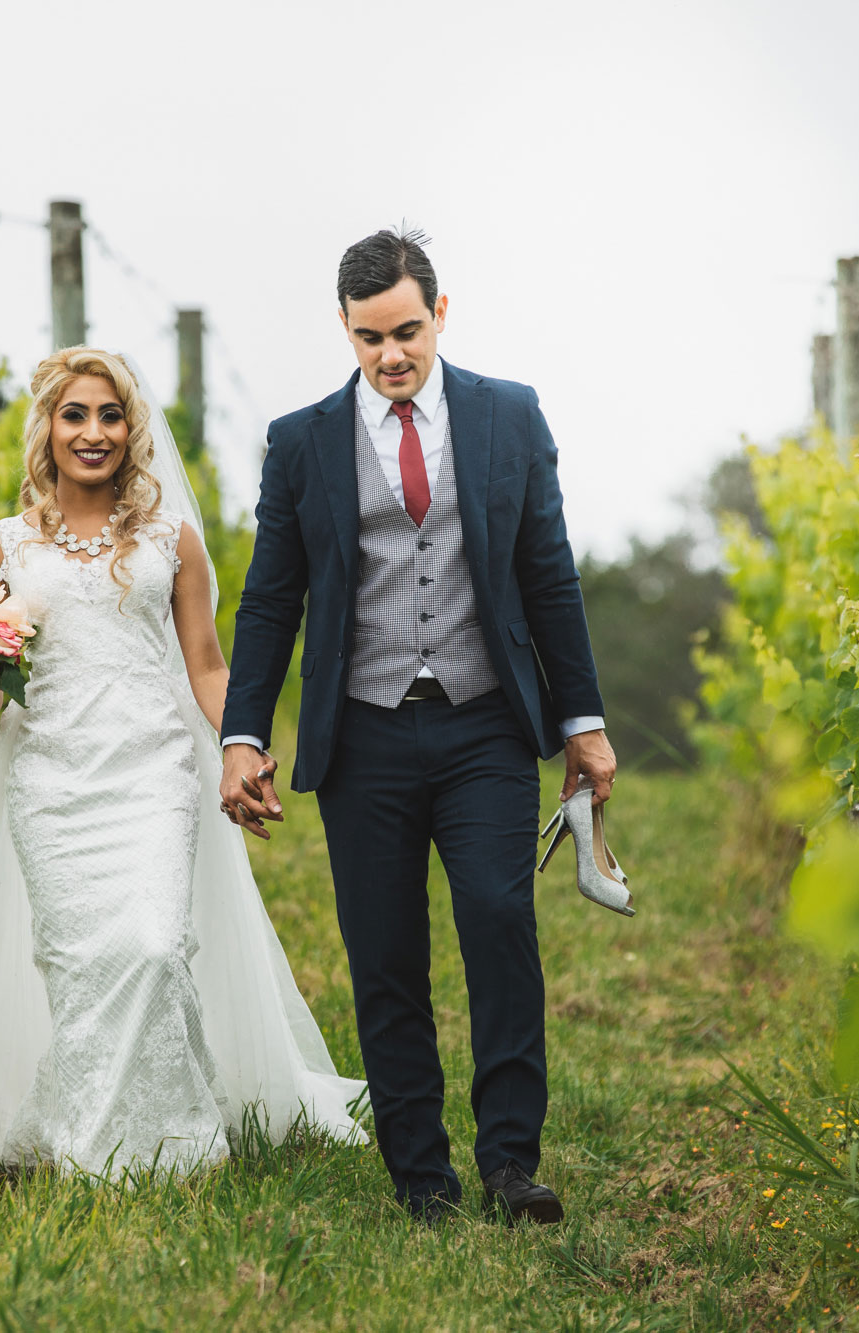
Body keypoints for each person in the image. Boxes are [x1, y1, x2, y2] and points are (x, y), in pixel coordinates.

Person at [218, 229, 614, 1225]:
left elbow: (547, 573)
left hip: (483, 723)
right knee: (383, 953)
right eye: (367, 339)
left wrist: (582, 720)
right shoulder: (301, 440)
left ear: (439, 314)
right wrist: (242, 733)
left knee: (495, 916)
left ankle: (509, 1163)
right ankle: (419, 1176)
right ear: (344, 332)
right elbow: (270, 600)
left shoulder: (506, 416)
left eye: (404, 331)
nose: (389, 355)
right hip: (364, 733)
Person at [0, 348, 364, 1179]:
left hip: (153, 771)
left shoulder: (172, 539)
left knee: (155, 945)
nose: (93, 433)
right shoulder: (5, 546)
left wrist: (244, 745)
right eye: (75, 415)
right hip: (52, 778)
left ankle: (162, 1140)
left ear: (133, 429)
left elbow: (205, 662)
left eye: (110, 416)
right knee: (85, 961)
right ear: (46, 429)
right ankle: (104, 1140)